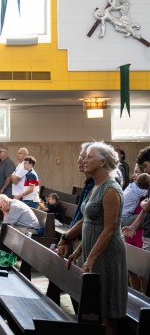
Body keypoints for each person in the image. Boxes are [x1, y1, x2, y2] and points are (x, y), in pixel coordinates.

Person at [65, 142, 127, 335]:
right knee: (95, 306)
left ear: (102, 162)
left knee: (106, 310)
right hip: (93, 250)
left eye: (89, 157)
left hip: (107, 254)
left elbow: (109, 230)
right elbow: (92, 224)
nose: (84, 160)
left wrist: (90, 258)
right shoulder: (97, 186)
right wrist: (78, 251)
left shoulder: (110, 189)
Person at [57, 142, 95, 258]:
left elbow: (86, 219)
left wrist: (65, 238)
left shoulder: (97, 186)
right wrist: (69, 240)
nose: (79, 161)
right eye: (80, 157)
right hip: (79, 240)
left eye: (84, 157)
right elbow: (78, 216)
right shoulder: (88, 184)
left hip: (88, 244)